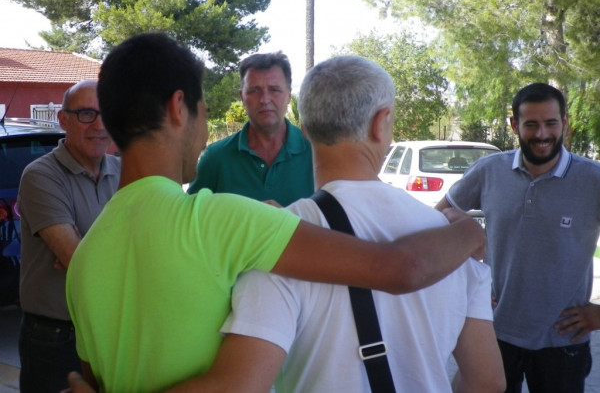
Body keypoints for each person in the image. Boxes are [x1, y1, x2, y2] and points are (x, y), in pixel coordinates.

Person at [65, 33, 486, 392]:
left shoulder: (84, 257)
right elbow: (401, 268)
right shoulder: (218, 220)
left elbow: (95, 379)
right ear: (179, 108)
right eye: (205, 112)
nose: (205, 129)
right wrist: (469, 233)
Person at [161, 55, 505, 392]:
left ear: (306, 127)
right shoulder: (450, 243)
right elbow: (488, 381)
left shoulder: (276, 242)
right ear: (380, 123)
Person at [436, 82, 600, 393]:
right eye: (531, 124)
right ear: (514, 125)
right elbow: (436, 221)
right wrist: (467, 285)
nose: (542, 135)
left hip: (562, 340)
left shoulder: (592, 179)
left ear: (564, 123)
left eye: (551, 123)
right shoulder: (489, 170)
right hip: (494, 332)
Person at [17, 79, 120, 393]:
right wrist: (96, 254)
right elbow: (78, 262)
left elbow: (152, 244)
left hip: (110, 329)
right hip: (55, 337)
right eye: (87, 114)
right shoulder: (41, 175)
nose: (99, 126)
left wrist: (90, 250)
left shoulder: (126, 169)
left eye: (107, 114)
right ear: (63, 120)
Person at [187, 51, 313, 205]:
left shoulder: (315, 153)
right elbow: (191, 221)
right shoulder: (216, 158)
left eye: (274, 90)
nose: (264, 99)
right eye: (254, 91)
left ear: (288, 95)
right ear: (242, 97)